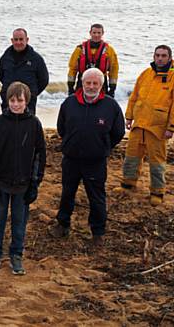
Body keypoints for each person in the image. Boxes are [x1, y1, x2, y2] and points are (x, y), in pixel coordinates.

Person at [52, 68, 125, 246]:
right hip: (71, 159)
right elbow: (61, 128)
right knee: (67, 193)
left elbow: (118, 133)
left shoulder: (111, 106)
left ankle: (97, 233)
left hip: (95, 162)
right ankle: (62, 225)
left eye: (95, 83)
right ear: (82, 83)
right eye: (88, 83)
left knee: (97, 197)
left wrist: (102, 148)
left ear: (101, 85)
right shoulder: (69, 103)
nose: (91, 87)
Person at [0, 82, 45, 275]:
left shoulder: (34, 124)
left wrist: (35, 183)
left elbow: (40, 155)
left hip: (24, 184)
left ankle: (16, 255)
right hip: (1, 182)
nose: (16, 104)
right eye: (12, 100)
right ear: (7, 100)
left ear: (27, 101)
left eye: (20, 100)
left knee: (19, 222)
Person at [117, 45, 174, 206]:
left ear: (169, 58)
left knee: (157, 162)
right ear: (154, 56)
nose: (160, 58)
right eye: (157, 55)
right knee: (131, 157)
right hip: (139, 124)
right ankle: (128, 184)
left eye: (163, 56)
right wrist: (129, 116)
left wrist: (172, 127)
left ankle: (157, 192)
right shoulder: (146, 74)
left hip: (158, 128)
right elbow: (134, 96)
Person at [0, 28, 49, 114]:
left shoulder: (36, 59)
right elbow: (1, 75)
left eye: (21, 39)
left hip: (28, 103)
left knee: (28, 126)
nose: (18, 42)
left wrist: (31, 93)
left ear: (27, 40)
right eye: (16, 39)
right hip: (8, 101)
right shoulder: (5, 57)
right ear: (12, 40)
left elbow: (44, 80)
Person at [67, 23, 119, 97]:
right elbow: (72, 68)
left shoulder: (109, 50)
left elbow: (114, 69)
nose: (96, 35)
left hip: (101, 83)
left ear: (102, 33)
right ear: (90, 33)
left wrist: (112, 88)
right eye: (94, 33)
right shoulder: (80, 49)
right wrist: (70, 87)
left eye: (99, 33)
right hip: (82, 82)